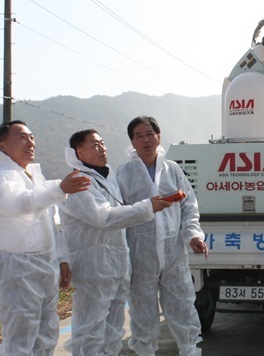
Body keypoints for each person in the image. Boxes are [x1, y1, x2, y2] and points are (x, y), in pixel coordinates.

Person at [0, 120, 91, 355]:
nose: (30, 142)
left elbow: (49, 223)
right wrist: (60, 189)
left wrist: (61, 259)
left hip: (43, 267)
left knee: (46, 335)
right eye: (21, 137)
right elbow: (22, 204)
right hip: (17, 268)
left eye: (31, 137)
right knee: (20, 339)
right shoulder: (0, 179)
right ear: (2, 145)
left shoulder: (36, 180)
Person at [57, 129, 171, 356]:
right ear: (79, 151)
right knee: (90, 328)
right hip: (94, 266)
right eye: (94, 145)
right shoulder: (79, 182)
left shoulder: (106, 179)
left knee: (113, 329)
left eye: (102, 143)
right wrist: (147, 206)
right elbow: (103, 217)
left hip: (115, 264)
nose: (102, 148)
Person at [116, 116, 208, 356]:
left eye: (150, 134)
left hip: (173, 253)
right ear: (132, 142)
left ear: (159, 137)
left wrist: (193, 235)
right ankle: (145, 351)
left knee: (182, 305)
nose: (145, 140)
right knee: (142, 311)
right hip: (140, 255)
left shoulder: (173, 169)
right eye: (139, 136)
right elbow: (118, 215)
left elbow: (189, 206)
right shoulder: (124, 174)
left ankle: (189, 350)